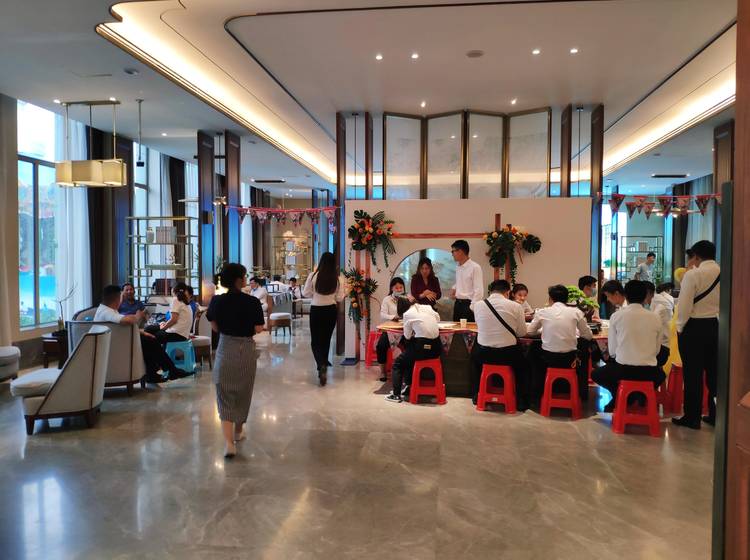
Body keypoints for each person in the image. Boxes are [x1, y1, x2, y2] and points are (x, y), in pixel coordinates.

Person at [206, 263, 265, 458]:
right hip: (246, 349)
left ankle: (229, 444)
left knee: (224, 394)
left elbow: (215, 328)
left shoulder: (216, 301)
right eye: (245, 276)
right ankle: (239, 431)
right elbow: (258, 328)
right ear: (239, 280)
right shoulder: (252, 302)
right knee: (243, 392)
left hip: (226, 348)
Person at [592, 280, 666, 412]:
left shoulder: (616, 316)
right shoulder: (655, 318)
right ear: (645, 296)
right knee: (661, 375)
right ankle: (635, 396)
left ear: (625, 295)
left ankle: (621, 396)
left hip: (623, 370)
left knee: (597, 374)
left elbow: (613, 351)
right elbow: (656, 350)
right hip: (650, 372)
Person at [94, 285, 187, 383]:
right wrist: (138, 316)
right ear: (117, 298)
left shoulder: (108, 310)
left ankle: (156, 374)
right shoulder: (106, 312)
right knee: (150, 341)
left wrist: (142, 333)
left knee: (149, 340)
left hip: (117, 341)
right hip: (115, 345)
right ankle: (170, 371)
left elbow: (119, 329)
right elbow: (128, 320)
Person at [673, 240, 720, 429]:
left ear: (697, 256)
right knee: (715, 374)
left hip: (694, 328)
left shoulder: (693, 275)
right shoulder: (723, 272)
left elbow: (684, 305)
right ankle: (716, 415)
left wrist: (680, 327)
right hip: (716, 326)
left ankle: (692, 417)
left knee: (693, 375)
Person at [527, 284, 593, 404]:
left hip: (548, 359)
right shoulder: (576, 312)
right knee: (584, 349)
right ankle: (581, 393)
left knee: (533, 349)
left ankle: (537, 392)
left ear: (550, 299)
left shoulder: (542, 312)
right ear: (567, 299)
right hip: (570, 359)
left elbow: (530, 332)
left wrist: (544, 331)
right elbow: (588, 335)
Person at [470, 280, 530, 409]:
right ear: (508, 292)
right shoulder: (516, 307)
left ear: (491, 291)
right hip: (507, 355)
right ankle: (521, 400)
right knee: (524, 366)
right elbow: (522, 332)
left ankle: (477, 395)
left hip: (484, 354)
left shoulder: (478, 305)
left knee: (475, 360)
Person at [385, 297, 442, 403]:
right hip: (437, 348)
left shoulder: (407, 314)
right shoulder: (427, 307)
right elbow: (438, 319)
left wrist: (413, 329)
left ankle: (396, 395)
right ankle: (408, 387)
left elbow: (407, 336)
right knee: (409, 358)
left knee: (398, 364)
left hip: (422, 349)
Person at [303, 252, 345, 386]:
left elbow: (305, 293)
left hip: (316, 310)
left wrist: (315, 294)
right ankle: (324, 364)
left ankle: (321, 364)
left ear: (321, 262)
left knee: (315, 341)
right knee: (326, 339)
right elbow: (339, 298)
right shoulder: (338, 279)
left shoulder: (313, 276)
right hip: (331, 310)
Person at [376, 277, 406, 382]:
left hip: (404, 330)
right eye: (396, 288)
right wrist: (393, 317)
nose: (399, 289)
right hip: (390, 330)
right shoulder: (387, 299)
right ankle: (383, 371)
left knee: (411, 345)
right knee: (380, 346)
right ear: (392, 288)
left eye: (401, 287)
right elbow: (382, 315)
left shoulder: (407, 298)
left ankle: (407, 370)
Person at [449, 239, 484, 321]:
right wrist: (454, 288)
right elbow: (461, 281)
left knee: (468, 329)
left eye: (453, 251)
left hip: (469, 304)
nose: (452, 254)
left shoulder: (475, 267)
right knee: (456, 328)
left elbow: (479, 291)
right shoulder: (458, 267)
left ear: (460, 251)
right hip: (458, 304)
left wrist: (472, 307)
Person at [644, 281, 671, 368]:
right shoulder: (653, 301)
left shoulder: (658, 304)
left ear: (648, 293)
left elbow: (651, 325)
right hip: (658, 343)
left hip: (662, 346)